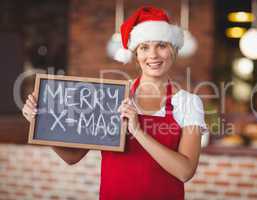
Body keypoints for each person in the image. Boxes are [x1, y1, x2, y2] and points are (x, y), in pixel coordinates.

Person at [22, 6, 207, 200]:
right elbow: (72, 157)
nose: (153, 55)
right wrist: (40, 122)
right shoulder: (112, 95)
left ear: (173, 50)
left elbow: (185, 171)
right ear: (136, 54)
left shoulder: (189, 103)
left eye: (161, 45)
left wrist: (138, 131)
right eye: (144, 47)